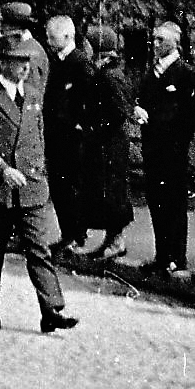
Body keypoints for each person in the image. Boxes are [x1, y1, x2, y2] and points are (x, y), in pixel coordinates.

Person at [0, 35, 77, 333]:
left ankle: (51, 309)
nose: (26, 68)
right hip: (0, 188)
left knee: (39, 248)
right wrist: (3, 169)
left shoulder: (32, 95)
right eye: (19, 62)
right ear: (4, 64)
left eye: (27, 62)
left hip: (31, 186)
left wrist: (39, 172)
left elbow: (38, 137)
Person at [134, 21, 195, 276]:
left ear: (175, 42)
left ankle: (177, 257)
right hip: (152, 149)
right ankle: (162, 256)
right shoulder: (152, 73)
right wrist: (138, 109)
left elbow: (187, 114)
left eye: (161, 40)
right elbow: (141, 98)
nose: (156, 44)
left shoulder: (185, 73)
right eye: (154, 39)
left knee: (174, 202)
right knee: (156, 201)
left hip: (173, 150)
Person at [44, 14, 99, 255]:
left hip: (72, 138)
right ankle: (68, 233)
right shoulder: (56, 61)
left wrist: (80, 124)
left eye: (52, 36)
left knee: (72, 186)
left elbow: (89, 100)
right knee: (59, 186)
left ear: (68, 36)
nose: (48, 40)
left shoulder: (80, 63)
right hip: (57, 134)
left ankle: (77, 234)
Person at [82, 25, 132, 260]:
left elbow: (120, 111)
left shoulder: (111, 75)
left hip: (110, 143)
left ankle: (116, 240)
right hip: (103, 141)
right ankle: (110, 240)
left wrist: (97, 127)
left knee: (113, 191)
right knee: (104, 190)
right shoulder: (102, 72)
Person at [1, 2, 49, 99]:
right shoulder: (32, 47)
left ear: (10, 29)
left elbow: (30, 91)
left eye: (5, 32)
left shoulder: (31, 52)